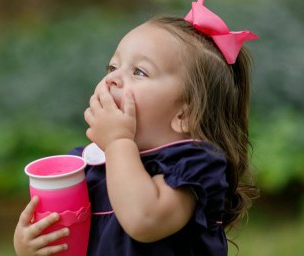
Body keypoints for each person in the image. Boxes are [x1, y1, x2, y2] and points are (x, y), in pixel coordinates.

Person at [14, 0, 258, 255]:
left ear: (185, 114)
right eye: (112, 67)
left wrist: (119, 141)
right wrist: (31, 245)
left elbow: (144, 219)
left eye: (139, 72)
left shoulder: (193, 166)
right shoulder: (88, 165)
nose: (112, 79)